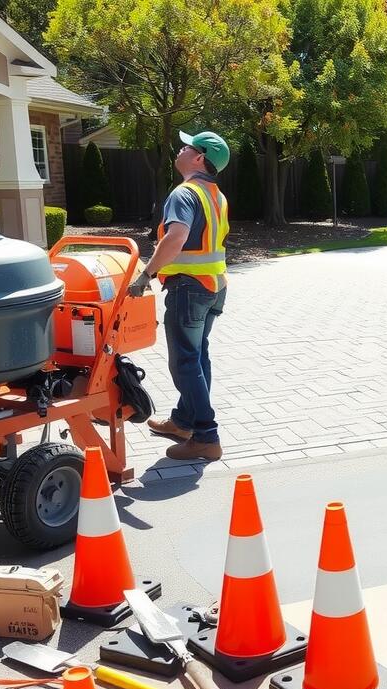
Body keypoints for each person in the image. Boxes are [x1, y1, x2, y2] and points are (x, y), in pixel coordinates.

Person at [128, 130, 231, 461]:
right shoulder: (215, 194)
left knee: (185, 362)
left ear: (199, 158)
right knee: (198, 357)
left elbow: (175, 238)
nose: (180, 149)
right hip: (214, 286)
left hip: (189, 287)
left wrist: (146, 274)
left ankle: (206, 437)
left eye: (187, 146)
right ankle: (184, 422)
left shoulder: (184, 194)